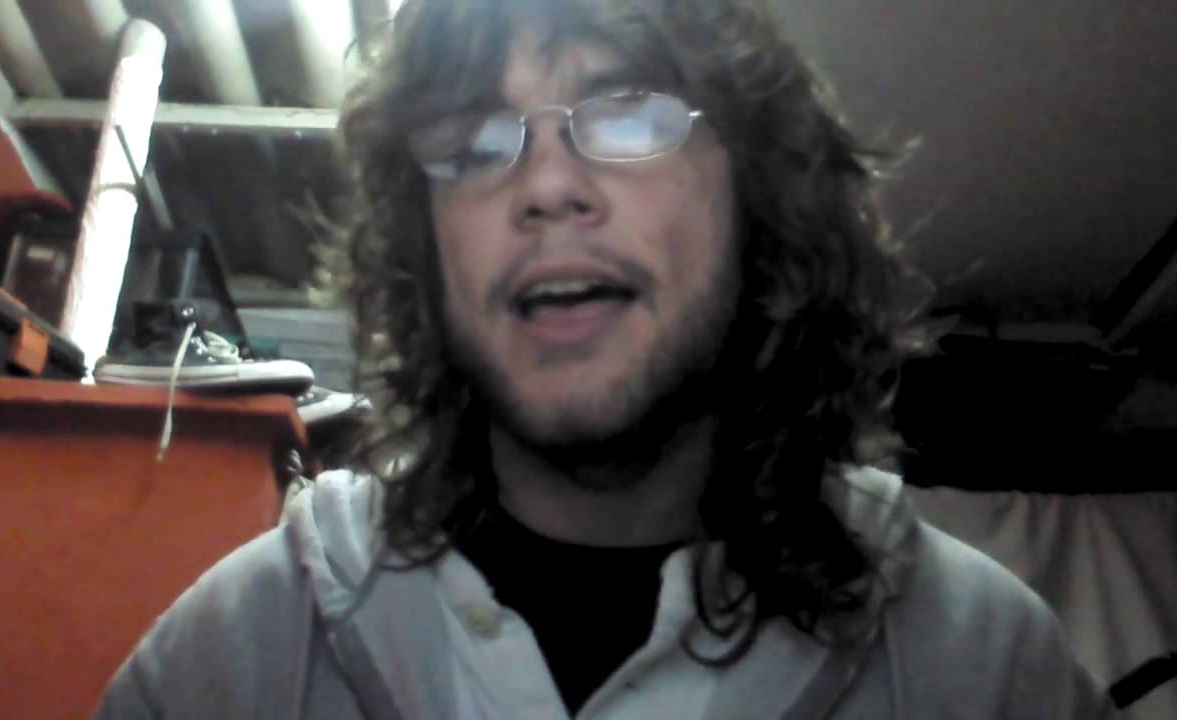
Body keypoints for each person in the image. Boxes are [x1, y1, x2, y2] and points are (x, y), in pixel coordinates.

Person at [97, 0, 1116, 717]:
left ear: (759, 205)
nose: (544, 185)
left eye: (628, 113)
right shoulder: (238, 651)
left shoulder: (985, 665)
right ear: (427, 249)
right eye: (474, 142)